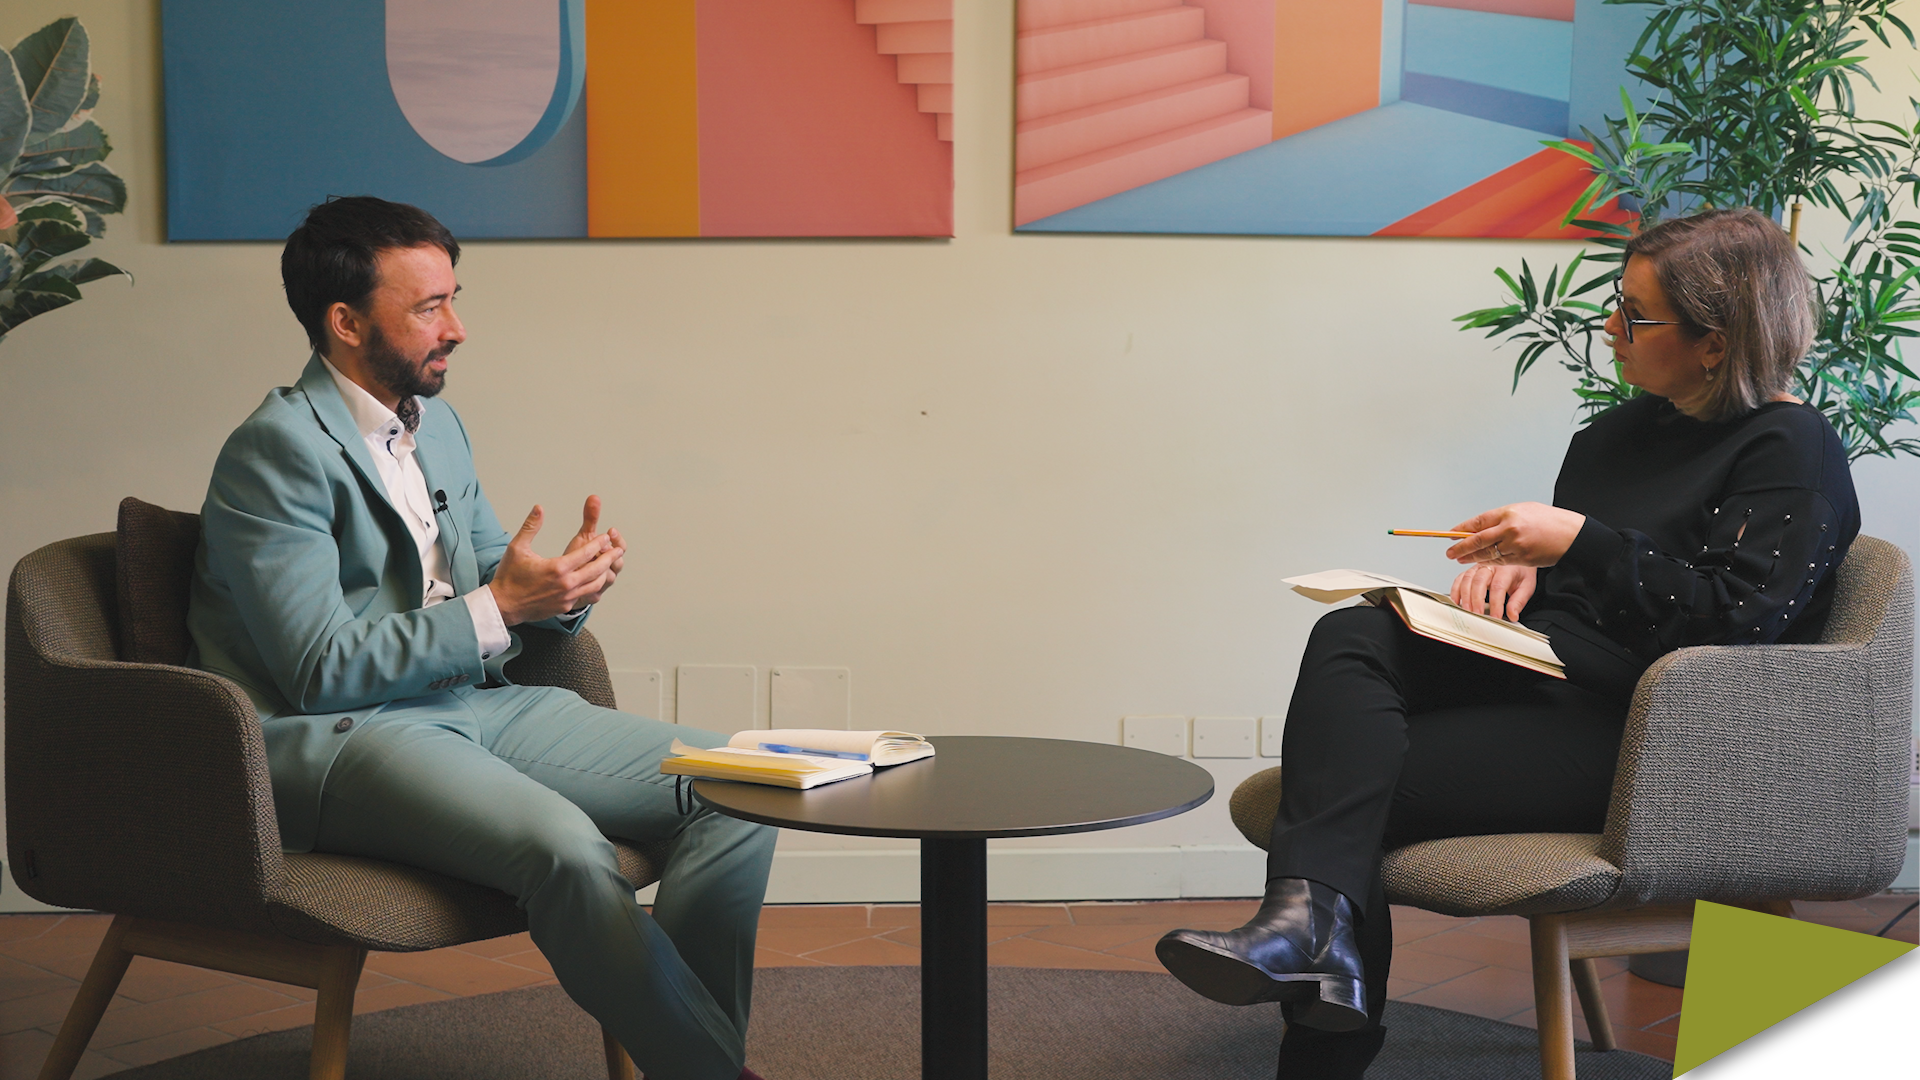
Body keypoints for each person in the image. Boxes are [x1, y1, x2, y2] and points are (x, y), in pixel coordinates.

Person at [1154, 207, 1860, 1077]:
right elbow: (1598, 580)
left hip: (1651, 733)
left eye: (1636, 315)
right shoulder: (1616, 435)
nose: (1611, 328)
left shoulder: (1792, 446)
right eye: (1618, 302)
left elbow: (1737, 622)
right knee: (1353, 628)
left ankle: (1319, 1008)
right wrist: (1527, 576)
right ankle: (1310, 939)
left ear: (1715, 343)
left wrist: (1575, 544)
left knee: (1344, 787)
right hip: (1551, 670)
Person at [188, 196, 778, 1080]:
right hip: (348, 738)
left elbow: (503, 578)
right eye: (429, 307)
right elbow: (318, 670)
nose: (457, 328)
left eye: (454, 299)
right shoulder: (274, 453)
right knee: (568, 851)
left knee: (742, 787)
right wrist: (502, 605)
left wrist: (565, 585)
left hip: (474, 703)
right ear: (345, 322)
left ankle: (692, 1059)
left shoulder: (437, 429)